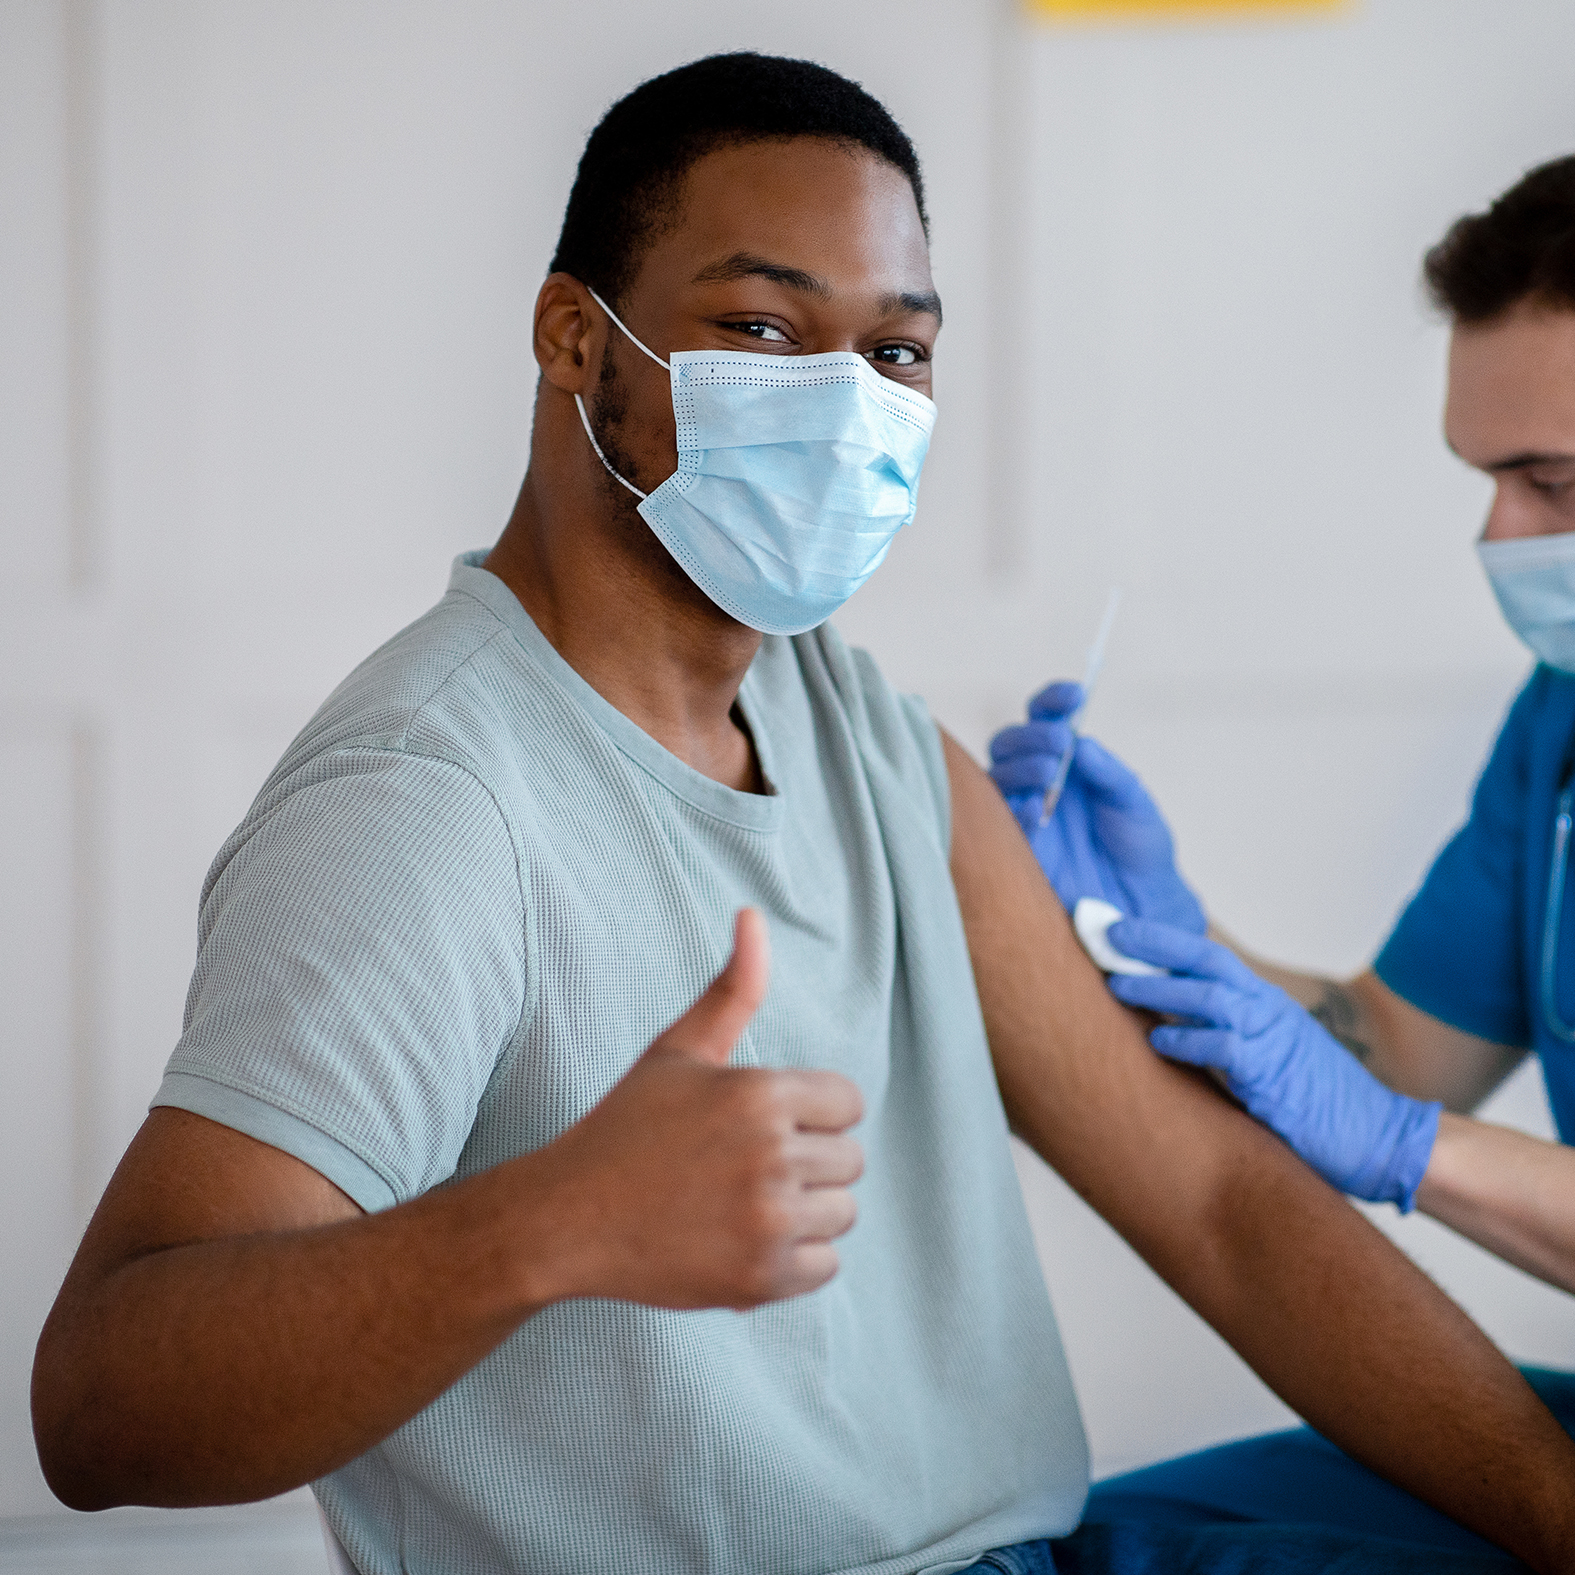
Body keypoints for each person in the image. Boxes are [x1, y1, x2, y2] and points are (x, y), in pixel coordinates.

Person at [30, 57, 1575, 1575]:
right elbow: (98, 1412)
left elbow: (1224, 1204)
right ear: (579, 339)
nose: (844, 406)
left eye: (895, 353)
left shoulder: (861, 734)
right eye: (764, 329)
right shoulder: (431, 804)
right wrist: (541, 1228)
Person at [992, 155, 1575, 1547]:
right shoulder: (1557, 727)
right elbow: (1385, 1046)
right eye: (1485, 479)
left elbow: (1382, 1113)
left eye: (1549, 483)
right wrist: (1153, 930)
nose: (1498, 534)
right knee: (1103, 1549)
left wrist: (1401, 1148)